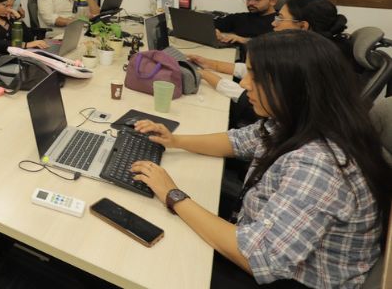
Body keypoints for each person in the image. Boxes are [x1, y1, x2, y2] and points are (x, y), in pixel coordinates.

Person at [130, 31, 391, 288]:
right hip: (261, 236)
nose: (245, 84)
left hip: (288, 278)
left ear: (295, 85)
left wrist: (173, 194)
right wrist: (175, 141)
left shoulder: (320, 163)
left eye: (256, 76)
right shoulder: (300, 119)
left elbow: (259, 257)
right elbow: (237, 141)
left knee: (149, 262)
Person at [188, 0, 354, 103]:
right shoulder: (316, 49)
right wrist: (210, 64)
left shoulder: (309, 61)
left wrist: (203, 74)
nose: (274, 23)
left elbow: (255, 98)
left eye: (280, 18)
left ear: (303, 26)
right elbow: (261, 72)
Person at [214, 0, 279, 44]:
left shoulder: (280, 21)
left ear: (272, 1)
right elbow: (211, 24)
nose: (250, 3)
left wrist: (244, 40)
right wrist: (214, 31)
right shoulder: (240, 18)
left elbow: (276, 44)